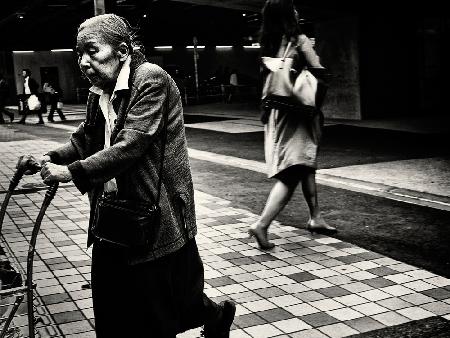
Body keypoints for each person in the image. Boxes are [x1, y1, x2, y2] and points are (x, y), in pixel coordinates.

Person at [18, 14, 235, 337]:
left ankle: (216, 317)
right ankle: (212, 316)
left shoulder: (150, 79)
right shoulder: (99, 90)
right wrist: (48, 157)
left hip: (155, 216)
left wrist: (70, 173)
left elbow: (131, 144)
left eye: (92, 51)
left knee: (164, 313)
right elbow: (84, 138)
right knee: (113, 308)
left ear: (121, 51)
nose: (83, 62)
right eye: (79, 54)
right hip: (113, 216)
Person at [248, 0, 336, 250]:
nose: (297, 11)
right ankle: (262, 224)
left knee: (306, 163)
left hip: (278, 109)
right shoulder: (298, 39)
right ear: (288, 14)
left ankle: (315, 217)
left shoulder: (269, 42)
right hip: (298, 111)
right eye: (293, 8)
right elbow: (318, 69)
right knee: (293, 171)